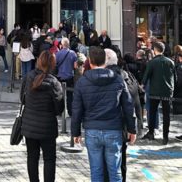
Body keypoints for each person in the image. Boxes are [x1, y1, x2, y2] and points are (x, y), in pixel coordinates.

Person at [71, 46, 136, 182]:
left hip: (92, 129)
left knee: (96, 171)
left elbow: (76, 110)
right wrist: (132, 129)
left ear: (90, 61)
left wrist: (75, 133)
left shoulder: (82, 82)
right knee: (115, 172)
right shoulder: (118, 79)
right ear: (105, 62)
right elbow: (128, 106)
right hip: (113, 129)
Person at [20, 50, 64, 182]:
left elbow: (22, 99)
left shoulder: (29, 77)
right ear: (52, 64)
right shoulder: (54, 82)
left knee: (32, 157)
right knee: (49, 159)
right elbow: (59, 108)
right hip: (47, 127)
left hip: (30, 125)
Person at [104, 49, 142, 182]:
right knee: (121, 162)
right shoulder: (128, 75)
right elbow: (136, 100)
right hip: (123, 126)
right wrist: (133, 128)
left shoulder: (109, 78)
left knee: (107, 165)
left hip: (111, 125)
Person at [142, 41, 176, 145]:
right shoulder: (170, 62)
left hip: (154, 90)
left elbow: (146, 76)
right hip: (167, 91)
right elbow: (175, 77)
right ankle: (165, 137)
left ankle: (151, 133)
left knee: (152, 111)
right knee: (166, 115)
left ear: (155, 50)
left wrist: (142, 85)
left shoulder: (152, 62)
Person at [55, 37, 77, 116]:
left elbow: (55, 64)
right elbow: (75, 66)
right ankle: (70, 112)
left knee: (60, 95)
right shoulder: (73, 53)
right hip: (69, 76)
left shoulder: (58, 54)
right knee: (70, 95)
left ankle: (60, 111)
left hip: (60, 76)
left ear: (62, 45)